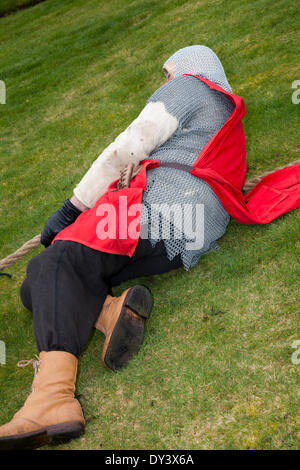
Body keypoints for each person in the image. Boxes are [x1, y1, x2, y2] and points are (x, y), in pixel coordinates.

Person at [1, 45, 299, 450]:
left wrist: (72, 208)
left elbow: (129, 145)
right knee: (37, 278)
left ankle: (52, 399)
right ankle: (109, 312)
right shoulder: (225, 118)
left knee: (59, 261)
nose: (166, 82)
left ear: (189, 68)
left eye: (168, 73)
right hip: (187, 234)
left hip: (164, 213)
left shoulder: (190, 87)